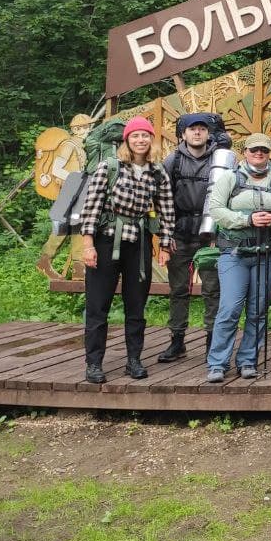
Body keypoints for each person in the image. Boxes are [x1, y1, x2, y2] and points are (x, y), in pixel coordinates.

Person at [78, 116, 176, 384]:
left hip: (139, 243)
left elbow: (167, 210)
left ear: (151, 140)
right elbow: (91, 207)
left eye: (145, 135)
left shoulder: (158, 172)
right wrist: (88, 245)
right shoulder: (109, 167)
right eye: (135, 136)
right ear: (127, 140)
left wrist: (165, 245)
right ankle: (94, 363)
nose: (140, 140)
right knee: (98, 305)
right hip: (106, 241)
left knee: (136, 305)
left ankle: (134, 360)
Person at [206, 134, 271, 382]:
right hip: (234, 253)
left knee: (257, 311)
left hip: (268, 252)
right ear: (245, 152)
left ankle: (247, 361)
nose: (259, 154)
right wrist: (246, 219)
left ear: (268, 153)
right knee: (230, 308)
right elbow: (216, 210)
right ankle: (217, 364)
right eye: (254, 149)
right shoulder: (230, 178)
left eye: (264, 150)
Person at [157, 114, 224, 364]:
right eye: (192, 129)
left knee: (212, 290)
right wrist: (165, 235)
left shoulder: (220, 159)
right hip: (180, 234)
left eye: (202, 129)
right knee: (178, 290)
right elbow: (162, 199)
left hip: (210, 235)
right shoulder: (172, 161)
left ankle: (211, 343)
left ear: (209, 133)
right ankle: (177, 342)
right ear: (183, 134)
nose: (197, 133)